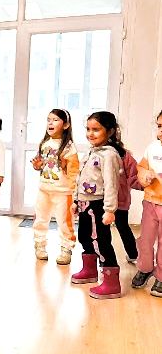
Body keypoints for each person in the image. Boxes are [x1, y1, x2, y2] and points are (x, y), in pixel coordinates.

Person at [71, 111, 123, 299]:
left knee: (100, 241)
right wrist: (76, 200)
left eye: (96, 130)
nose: (90, 133)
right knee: (84, 237)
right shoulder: (91, 151)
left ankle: (111, 282)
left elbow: (111, 184)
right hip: (85, 204)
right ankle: (90, 270)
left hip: (98, 205)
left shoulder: (109, 155)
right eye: (88, 129)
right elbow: (80, 178)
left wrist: (109, 210)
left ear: (110, 132)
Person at [31, 109, 79, 265]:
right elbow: (42, 166)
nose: (50, 123)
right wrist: (37, 166)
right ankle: (40, 245)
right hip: (44, 189)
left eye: (55, 120)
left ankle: (66, 248)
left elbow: (73, 172)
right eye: (48, 119)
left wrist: (74, 193)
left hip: (63, 192)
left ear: (65, 125)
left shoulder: (69, 147)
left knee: (65, 222)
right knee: (40, 219)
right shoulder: (45, 143)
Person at [131, 109, 162, 297]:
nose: (161, 131)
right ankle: (145, 267)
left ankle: (161, 276)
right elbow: (141, 167)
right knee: (145, 239)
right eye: (159, 126)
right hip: (150, 202)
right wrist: (145, 175)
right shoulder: (153, 148)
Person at [115, 143, 142, 264]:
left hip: (120, 199)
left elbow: (135, 177)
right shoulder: (94, 153)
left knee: (122, 227)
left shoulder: (124, 155)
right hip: (99, 198)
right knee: (99, 230)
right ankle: (103, 260)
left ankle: (133, 255)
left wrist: (149, 185)